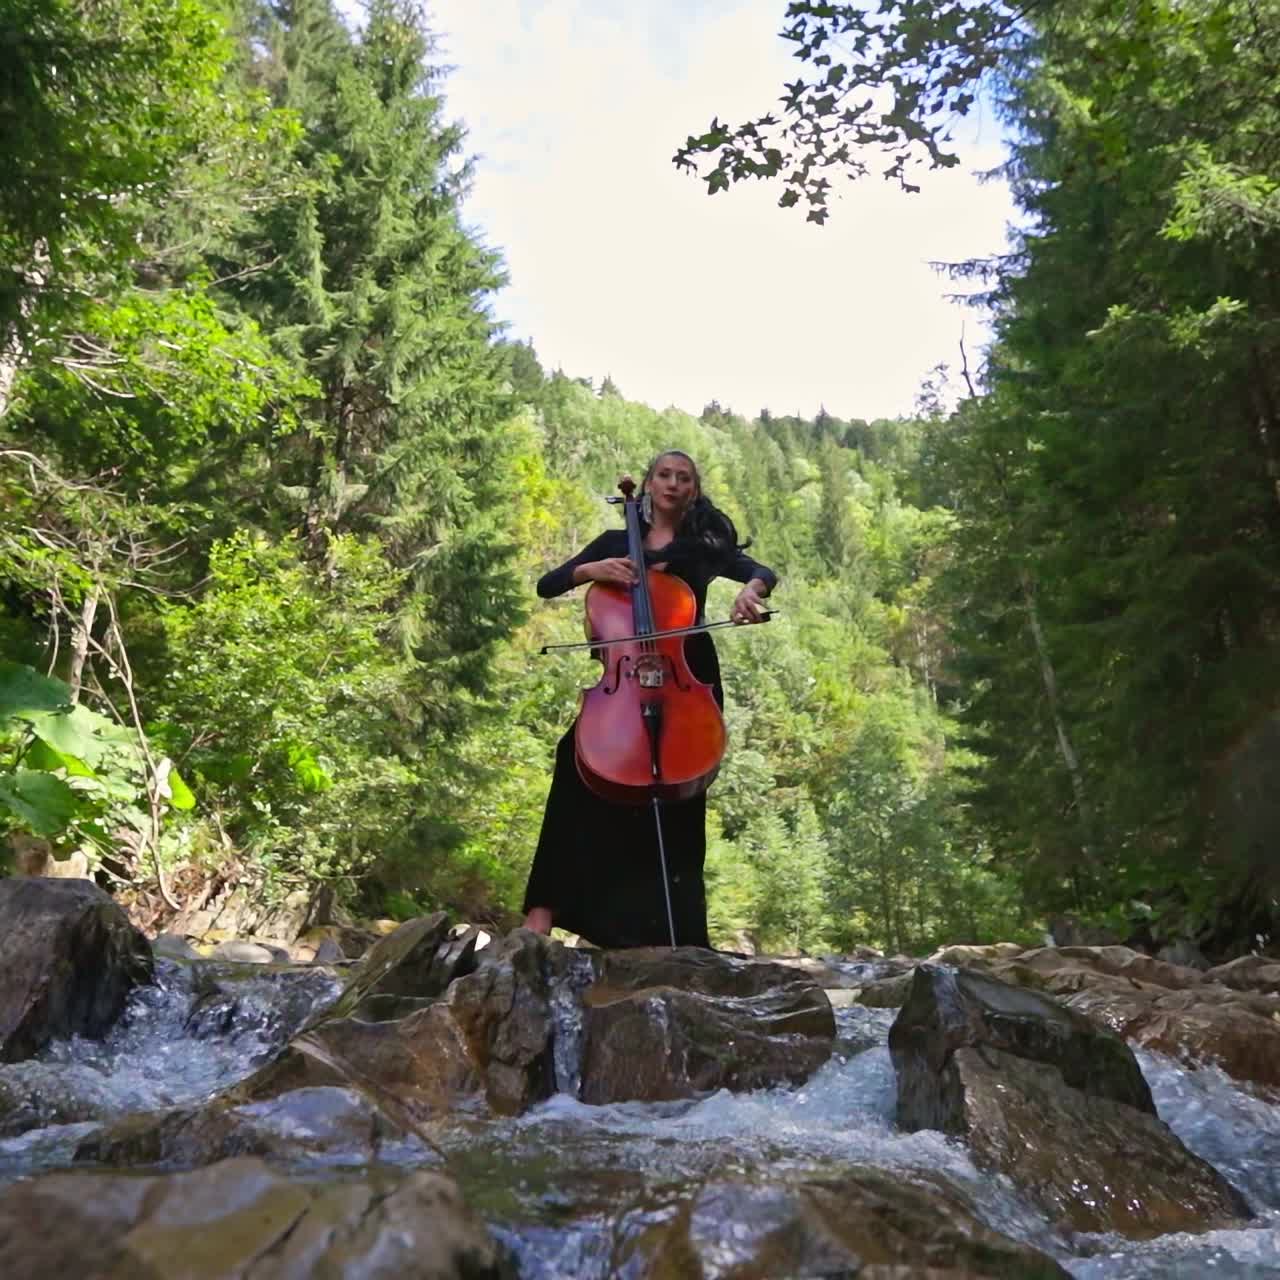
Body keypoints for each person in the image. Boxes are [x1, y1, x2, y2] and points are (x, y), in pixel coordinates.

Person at [521, 449, 777, 948]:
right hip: (625, 678)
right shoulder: (618, 543)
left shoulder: (702, 545)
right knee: (574, 764)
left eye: (684, 477)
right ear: (648, 484)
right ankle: (542, 912)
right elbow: (546, 585)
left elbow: (761, 570)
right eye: (665, 475)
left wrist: (751, 592)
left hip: (687, 676)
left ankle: (677, 934)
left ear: (693, 489)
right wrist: (591, 569)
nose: (674, 484)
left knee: (680, 795)